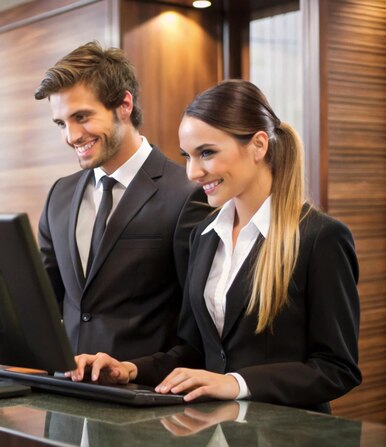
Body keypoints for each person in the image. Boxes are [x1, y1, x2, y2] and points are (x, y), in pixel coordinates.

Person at [68, 79, 362, 413]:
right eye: (187, 157)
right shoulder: (205, 234)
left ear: (259, 145)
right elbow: (195, 351)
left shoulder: (321, 238)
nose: (193, 172)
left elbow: (337, 368)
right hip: (219, 431)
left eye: (207, 153)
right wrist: (130, 369)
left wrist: (237, 383)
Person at [34, 41, 211, 360]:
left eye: (82, 117)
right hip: (65, 393)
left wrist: (135, 371)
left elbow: (198, 325)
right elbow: (40, 299)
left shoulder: (187, 193)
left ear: (124, 105)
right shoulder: (59, 195)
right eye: (62, 123)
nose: (71, 136)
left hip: (146, 398)